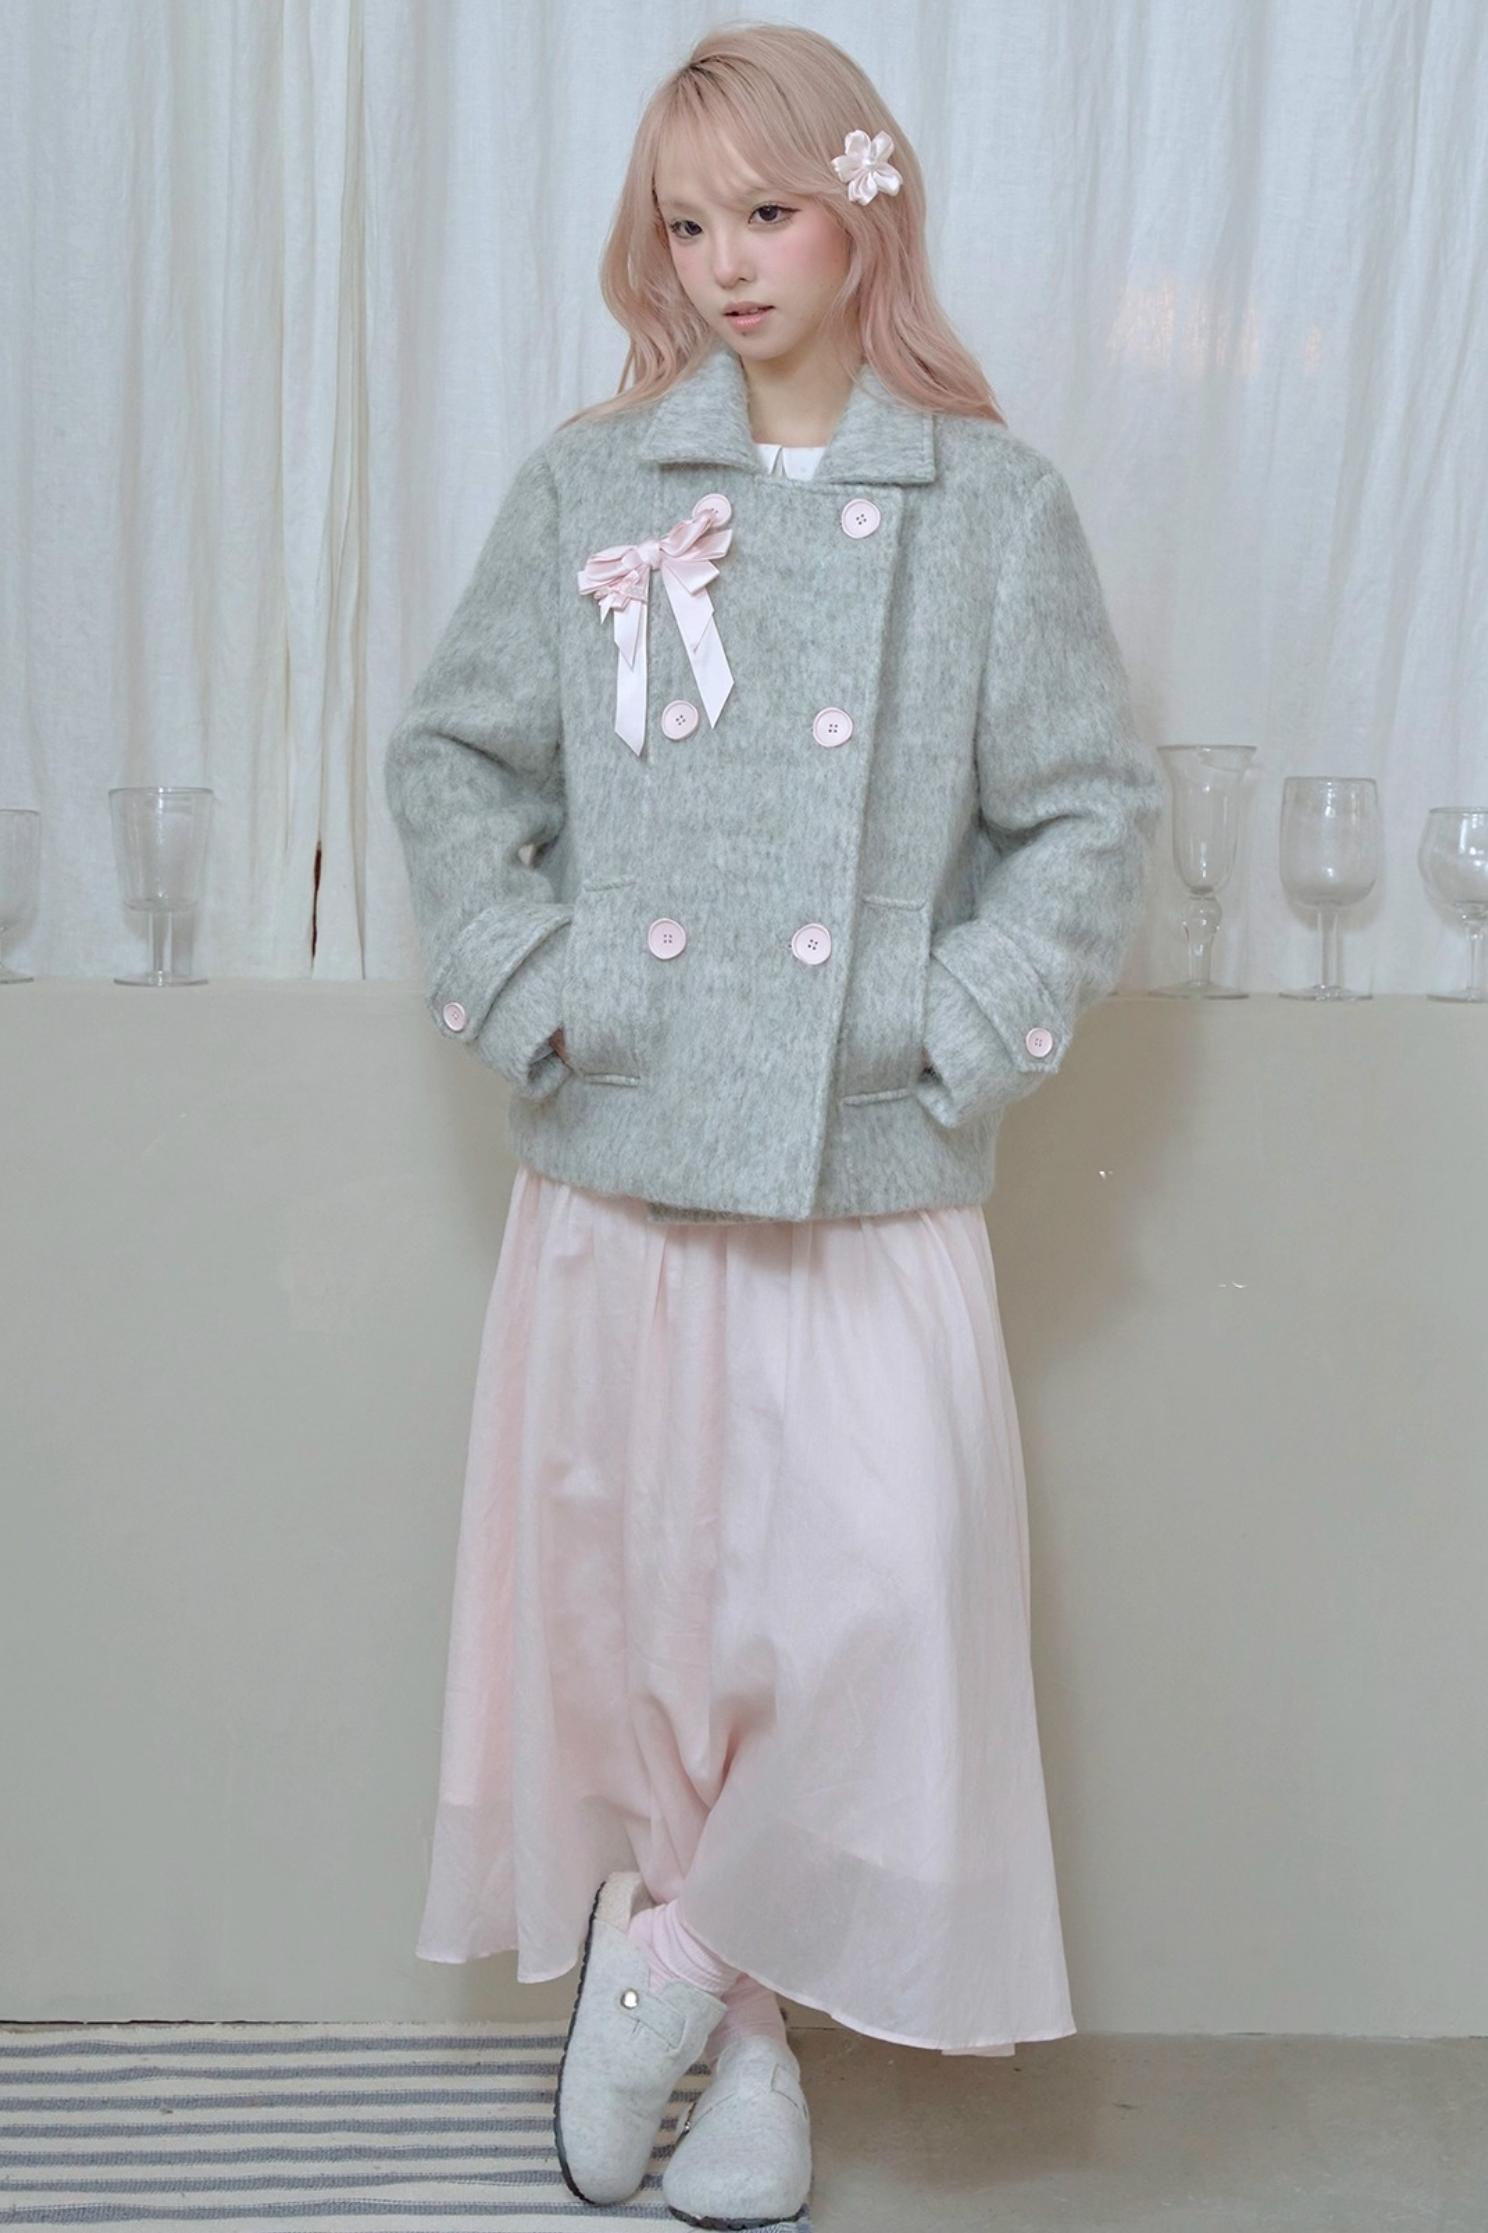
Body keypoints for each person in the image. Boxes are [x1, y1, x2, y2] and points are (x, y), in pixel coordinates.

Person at [384, 21, 1165, 2225]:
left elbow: (1092, 816)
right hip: (629, 1149)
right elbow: (453, 760)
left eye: (769, 211)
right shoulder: (594, 488)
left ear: (866, 208)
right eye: (687, 224)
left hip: (870, 1163)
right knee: (656, 1624)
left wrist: (946, 1019)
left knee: (879, 1607)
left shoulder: (990, 505)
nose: (727, 263)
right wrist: (545, 985)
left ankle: (675, 1961)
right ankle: (750, 2056)